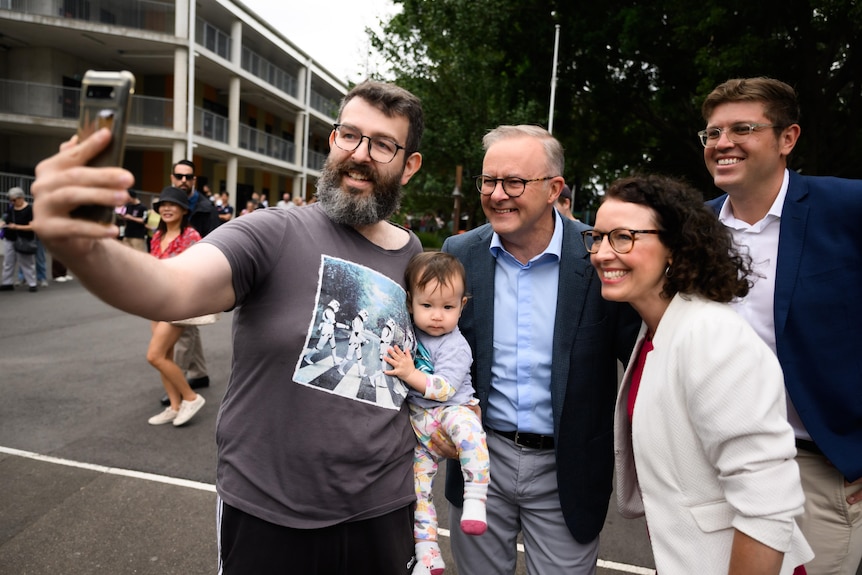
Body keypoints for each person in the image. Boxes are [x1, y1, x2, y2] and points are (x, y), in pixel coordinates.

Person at [31, 80, 425, 574]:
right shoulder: (273, 231)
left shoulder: (419, 263)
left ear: (409, 164)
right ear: (332, 141)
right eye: (349, 135)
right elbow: (170, 287)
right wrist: (82, 246)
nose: (360, 154)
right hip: (270, 514)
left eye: (383, 144)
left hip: (383, 512)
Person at [586, 174, 813, 574]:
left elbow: (767, 506)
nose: (603, 253)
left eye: (622, 237)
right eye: (598, 237)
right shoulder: (657, 329)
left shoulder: (713, 337)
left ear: (674, 247)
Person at [441, 125, 640, 575]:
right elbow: (436, 344)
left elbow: (644, 361)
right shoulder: (460, 253)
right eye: (489, 181)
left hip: (565, 470)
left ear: (554, 189)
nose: (496, 194)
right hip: (479, 464)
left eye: (514, 182)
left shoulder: (600, 256)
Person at [700, 77, 862, 575]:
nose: (723, 143)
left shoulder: (847, 208)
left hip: (815, 466)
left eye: (742, 129)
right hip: (712, 465)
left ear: (787, 138)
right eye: (712, 133)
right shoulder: (693, 229)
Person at [383, 251, 490, 575]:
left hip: (452, 410)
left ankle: (475, 496)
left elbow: (443, 388)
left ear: (463, 305)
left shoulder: (456, 345)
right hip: (419, 424)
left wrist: (408, 373)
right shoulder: (411, 334)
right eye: (427, 306)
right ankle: (428, 552)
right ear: (410, 302)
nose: (437, 316)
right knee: (417, 490)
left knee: (472, 436)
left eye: (448, 307)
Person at [145, 186, 206, 427]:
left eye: (172, 205)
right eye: (163, 205)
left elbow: (198, 270)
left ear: (183, 210)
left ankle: (191, 397)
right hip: (156, 303)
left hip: (179, 304)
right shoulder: (157, 237)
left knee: (155, 355)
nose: (166, 208)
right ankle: (174, 405)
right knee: (166, 355)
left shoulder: (191, 236)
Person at [160, 159, 218, 406]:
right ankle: (200, 373)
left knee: (181, 330)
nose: (183, 180)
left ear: (194, 179)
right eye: (179, 176)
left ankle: (178, 383)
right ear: (172, 177)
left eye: (188, 176)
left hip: (194, 278)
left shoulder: (206, 208)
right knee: (188, 328)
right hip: (168, 279)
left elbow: (217, 241)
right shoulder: (167, 203)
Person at [2, 187, 38, 292]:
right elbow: (4, 217)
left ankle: (32, 283)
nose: (11, 202)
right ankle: (7, 282)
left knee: (27, 262)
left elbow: (32, 227)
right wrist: (2, 222)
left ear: (21, 198)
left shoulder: (29, 210)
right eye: (10, 200)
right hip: (10, 238)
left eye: (13, 200)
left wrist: (17, 227)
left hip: (25, 239)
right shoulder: (10, 208)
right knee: (8, 262)